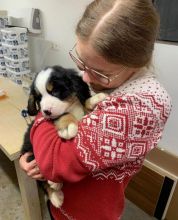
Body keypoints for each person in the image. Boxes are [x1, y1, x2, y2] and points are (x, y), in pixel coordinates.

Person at [19, 0, 172, 219]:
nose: (85, 78)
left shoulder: (143, 107)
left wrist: (42, 118)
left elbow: (54, 164)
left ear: (136, 62)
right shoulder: (109, 81)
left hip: (89, 212)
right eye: (81, 63)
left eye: (100, 72)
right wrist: (33, 154)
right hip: (62, 201)